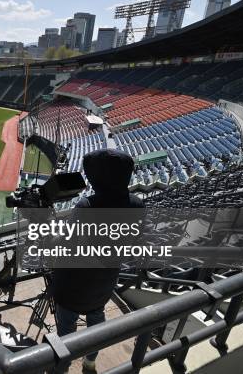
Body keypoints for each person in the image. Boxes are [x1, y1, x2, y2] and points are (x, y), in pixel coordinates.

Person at [52, 149, 144, 373]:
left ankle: (62, 366)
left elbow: (66, 245)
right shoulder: (137, 205)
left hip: (73, 285)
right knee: (96, 317)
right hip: (105, 281)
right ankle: (90, 362)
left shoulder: (87, 207)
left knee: (66, 326)